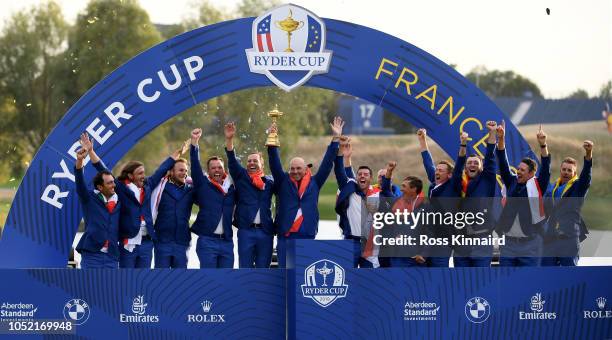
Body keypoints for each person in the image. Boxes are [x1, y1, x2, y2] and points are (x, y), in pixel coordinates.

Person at [83, 134, 178, 268]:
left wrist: (175, 155)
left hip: (146, 243)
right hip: (128, 242)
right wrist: (91, 152)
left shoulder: (148, 185)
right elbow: (102, 168)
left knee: (142, 280)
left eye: (144, 173)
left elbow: (161, 170)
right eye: (140, 173)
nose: (143, 176)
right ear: (130, 176)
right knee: (126, 281)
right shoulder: (120, 187)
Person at [268, 117, 344, 268]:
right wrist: (272, 142)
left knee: (304, 274)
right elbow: (274, 163)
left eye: (299, 168)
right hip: (286, 235)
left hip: (307, 234)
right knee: (284, 274)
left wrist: (335, 139)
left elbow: (327, 164)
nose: (295, 171)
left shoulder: (315, 182)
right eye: (293, 168)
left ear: (305, 169)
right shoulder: (283, 181)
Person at [496, 122, 551, 267]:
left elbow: (546, 168)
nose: (518, 172)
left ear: (531, 173)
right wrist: (501, 139)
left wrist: (543, 145)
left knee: (528, 283)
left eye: (522, 170)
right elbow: (502, 162)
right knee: (506, 282)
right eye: (518, 169)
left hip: (530, 244)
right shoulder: (511, 182)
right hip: (508, 244)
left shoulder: (538, 185)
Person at [224, 122, 275, 268]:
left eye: (255, 160)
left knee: (263, 268)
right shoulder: (241, 177)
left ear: (262, 164)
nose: (251, 163)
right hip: (246, 230)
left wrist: (272, 139)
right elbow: (232, 161)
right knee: (245, 268)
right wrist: (229, 140)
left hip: (265, 232)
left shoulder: (269, 182)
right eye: (249, 161)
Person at [417, 128, 467, 267]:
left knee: (439, 271)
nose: (437, 172)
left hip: (444, 238)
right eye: (437, 170)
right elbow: (428, 163)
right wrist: (422, 140)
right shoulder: (434, 185)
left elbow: (460, 165)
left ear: (449, 175)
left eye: (441, 170)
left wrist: (463, 144)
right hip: (428, 237)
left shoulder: (453, 185)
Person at [453, 121, 498, 267]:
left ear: (481, 167)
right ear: (465, 167)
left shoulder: (487, 180)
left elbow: (491, 157)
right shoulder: (459, 182)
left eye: (476, 163)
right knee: (461, 281)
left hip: (482, 240)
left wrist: (492, 134)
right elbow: (458, 164)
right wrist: (463, 144)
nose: (472, 165)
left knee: (481, 280)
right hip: (461, 240)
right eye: (469, 163)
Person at [541, 140, 593, 266]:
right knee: (545, 274)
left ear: (574, 173)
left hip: (568, 239)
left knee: (569, 276)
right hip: (551, 238)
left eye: (569, 170)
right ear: (560, 170)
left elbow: (586, 176)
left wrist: (588, 154)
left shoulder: (578, 187)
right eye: (564, 169)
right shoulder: (553, 188)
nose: (566, 172)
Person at [190, 128, 236, 268]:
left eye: (219, 167)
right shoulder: (203, 184)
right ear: (208, 171)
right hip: (207, 241)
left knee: (226, 281)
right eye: (213, 168)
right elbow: (195, 165)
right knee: (209, 280)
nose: (217, 170)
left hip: (227, 242)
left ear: (224, 170)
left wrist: (229, 140)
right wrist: (194, 142)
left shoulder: (232, 187)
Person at [74, 138, 120, 268]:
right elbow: (79, 182)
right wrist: (80, 160)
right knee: (89, 288)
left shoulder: (119, 199)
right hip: (92, 256)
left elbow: (103, 170)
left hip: (112, 256)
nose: (114, 185)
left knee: (111, 289)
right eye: (109, 183)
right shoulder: (89, 198)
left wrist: (91, 151)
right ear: (100, 187)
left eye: (113, 182)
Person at [335, 137, 381, 268]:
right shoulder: (351, 189)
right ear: (356, 178)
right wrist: (343, 156)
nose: (362, 176)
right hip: (351, 242)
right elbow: (340, 171)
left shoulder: (377, 194)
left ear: (371, 178)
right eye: (359, 174)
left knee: (369, 280)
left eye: (366, 174)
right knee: (347, 277)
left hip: (370, 244)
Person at [151, 141, 195, 268]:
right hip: (162, 241)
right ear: (171, 172)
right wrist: (178, 153)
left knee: (180, 281)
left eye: (186, 170)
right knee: (162, 280)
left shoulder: (191, 190)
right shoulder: (159, 188)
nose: (184, 173)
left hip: (182, 242)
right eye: (180, 170)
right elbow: (160, 171)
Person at [380, 161, 427, 267]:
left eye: (404, 186)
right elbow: (386, 189)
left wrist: (423, 254)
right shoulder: (397, 202)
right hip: (398, 257)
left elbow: (430, 234)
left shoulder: (426, 208)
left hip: (418, 259)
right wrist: (389, 172)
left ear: (414, 189)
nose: (400, 189)